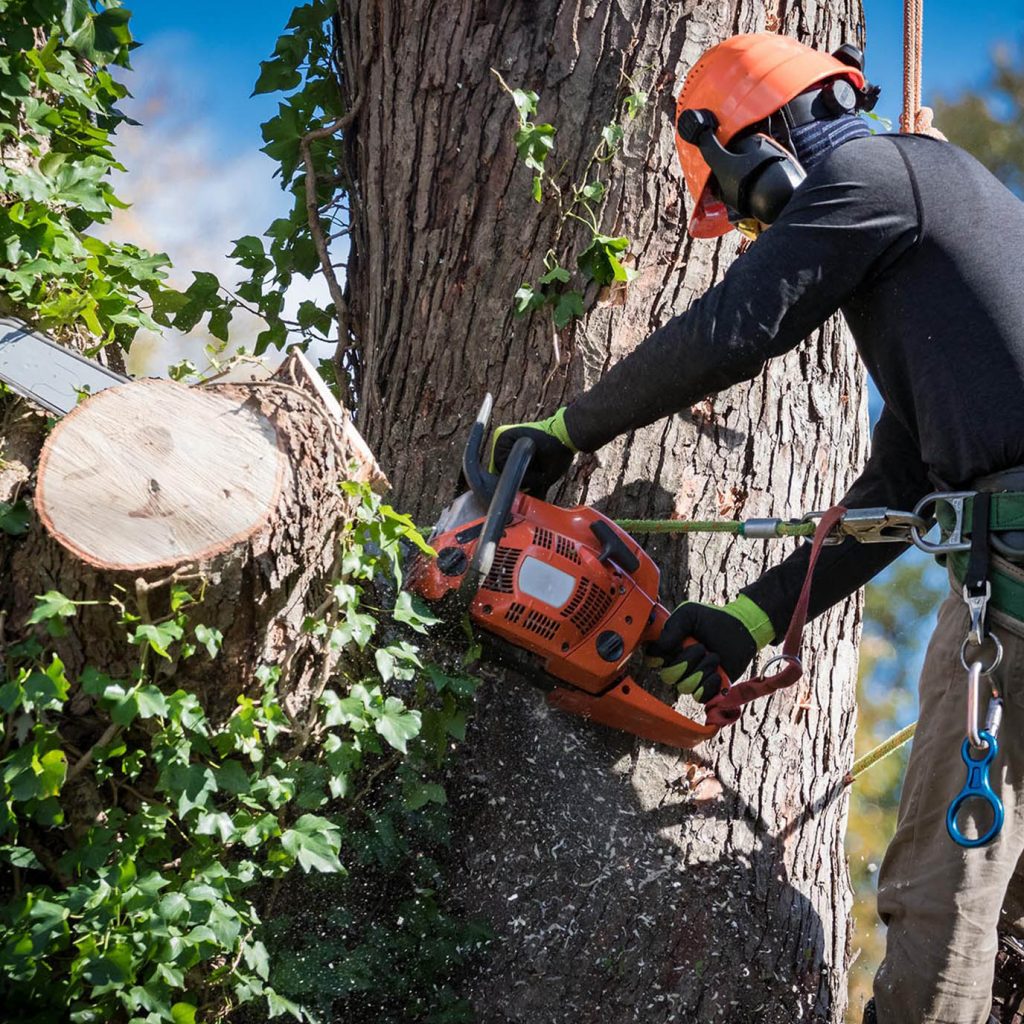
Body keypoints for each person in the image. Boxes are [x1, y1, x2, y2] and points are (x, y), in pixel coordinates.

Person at [488, 32, 1024, 1024]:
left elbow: (735, 326)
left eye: (735, 207)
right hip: (1003, 571)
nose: (747, 232)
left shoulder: (874, 175)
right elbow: (905, 486)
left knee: (942, 888)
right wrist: (748, 615)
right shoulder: (930, 217)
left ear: (753, 151)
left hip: (1013, 590)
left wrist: (568, 428)